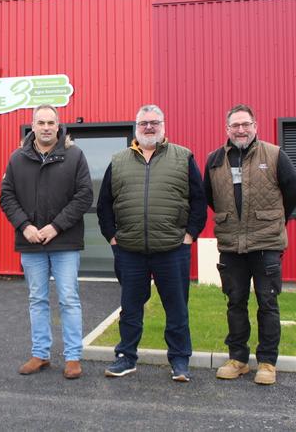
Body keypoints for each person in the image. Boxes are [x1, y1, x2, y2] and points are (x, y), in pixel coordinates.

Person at [97, 104, 207, 382]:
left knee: (177, 307)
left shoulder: (183, 157)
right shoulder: (119, 160)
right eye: (144, 122)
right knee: (130, 308)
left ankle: (180, 360)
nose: (149, 127)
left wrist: (189, 236)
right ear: (136, 127)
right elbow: (104, 205)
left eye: (154, 122)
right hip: (130, 250)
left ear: (163, 126)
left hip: (172, 249)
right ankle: (126, 357)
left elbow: (199, 200)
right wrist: (113, 238)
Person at [204, 104, 296, 385]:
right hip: (231, 246)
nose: (241, 130)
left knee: (267, 303)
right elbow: (209, 197)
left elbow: (294, 192)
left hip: (266, 245)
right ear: (227, 129)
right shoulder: (214, 160)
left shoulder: (274, 155)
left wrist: (275, 222)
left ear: (255, 126)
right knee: (235, 302)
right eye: (235, 125)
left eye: (245, 124)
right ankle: (237, 359)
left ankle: (267, 363)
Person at [0, 104, 93, 379]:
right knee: (36, 299)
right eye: (41, 123)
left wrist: (56, 226)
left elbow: (84, 195)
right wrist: (24, 226)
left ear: (58, 125)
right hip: (31, 243)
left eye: (51, 122)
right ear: (33, 125)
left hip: (65, 241)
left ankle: (73, 357)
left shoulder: (74, 156)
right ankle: (40, 354)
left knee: (68, 299)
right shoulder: (17, 159)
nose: (46, 127)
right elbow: (7, 197)